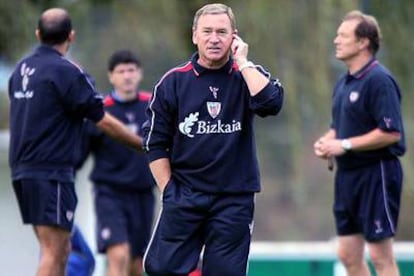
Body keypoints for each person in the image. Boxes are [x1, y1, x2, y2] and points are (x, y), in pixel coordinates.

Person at [142, 3, 284, 276]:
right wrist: (169, 191)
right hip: (185, 195)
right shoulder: (173, 82)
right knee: (161, 269)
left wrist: (242, 62)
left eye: (222, 31)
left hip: (234, 199)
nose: (214, 38)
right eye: (207, 31)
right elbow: (153, 143)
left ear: (235, 37)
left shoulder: (247, 75)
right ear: (195, 35)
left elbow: (271, 104)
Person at [8, 8, 143, 276]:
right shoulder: (68, 71)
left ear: (38, 34)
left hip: (23, 172)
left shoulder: (21, 70)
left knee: (62, 250)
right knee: (54, 251)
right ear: (71, 36)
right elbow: (101, 119)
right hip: (51, 173)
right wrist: (143, 143)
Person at [314, 10, 405, 276]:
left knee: (380, 255)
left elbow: (391, 132)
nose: (336, 40)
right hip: (347, 177)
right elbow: (338, 128)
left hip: (376, 174)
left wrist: (345, 145)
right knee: (348, 254)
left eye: (343, 35)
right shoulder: (343, 82)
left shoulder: (379, 81)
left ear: (363, 42)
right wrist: (327, 142)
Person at [77, 50, 155, 276]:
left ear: (139, 74)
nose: (127, 76)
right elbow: (79, 154)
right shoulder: (100, 111)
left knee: (136, 265)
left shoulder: (153, 106)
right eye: (121, 71)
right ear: (111, 77)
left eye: (131, 70)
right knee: (119, 253)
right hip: (109, 193)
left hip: (143, 193)